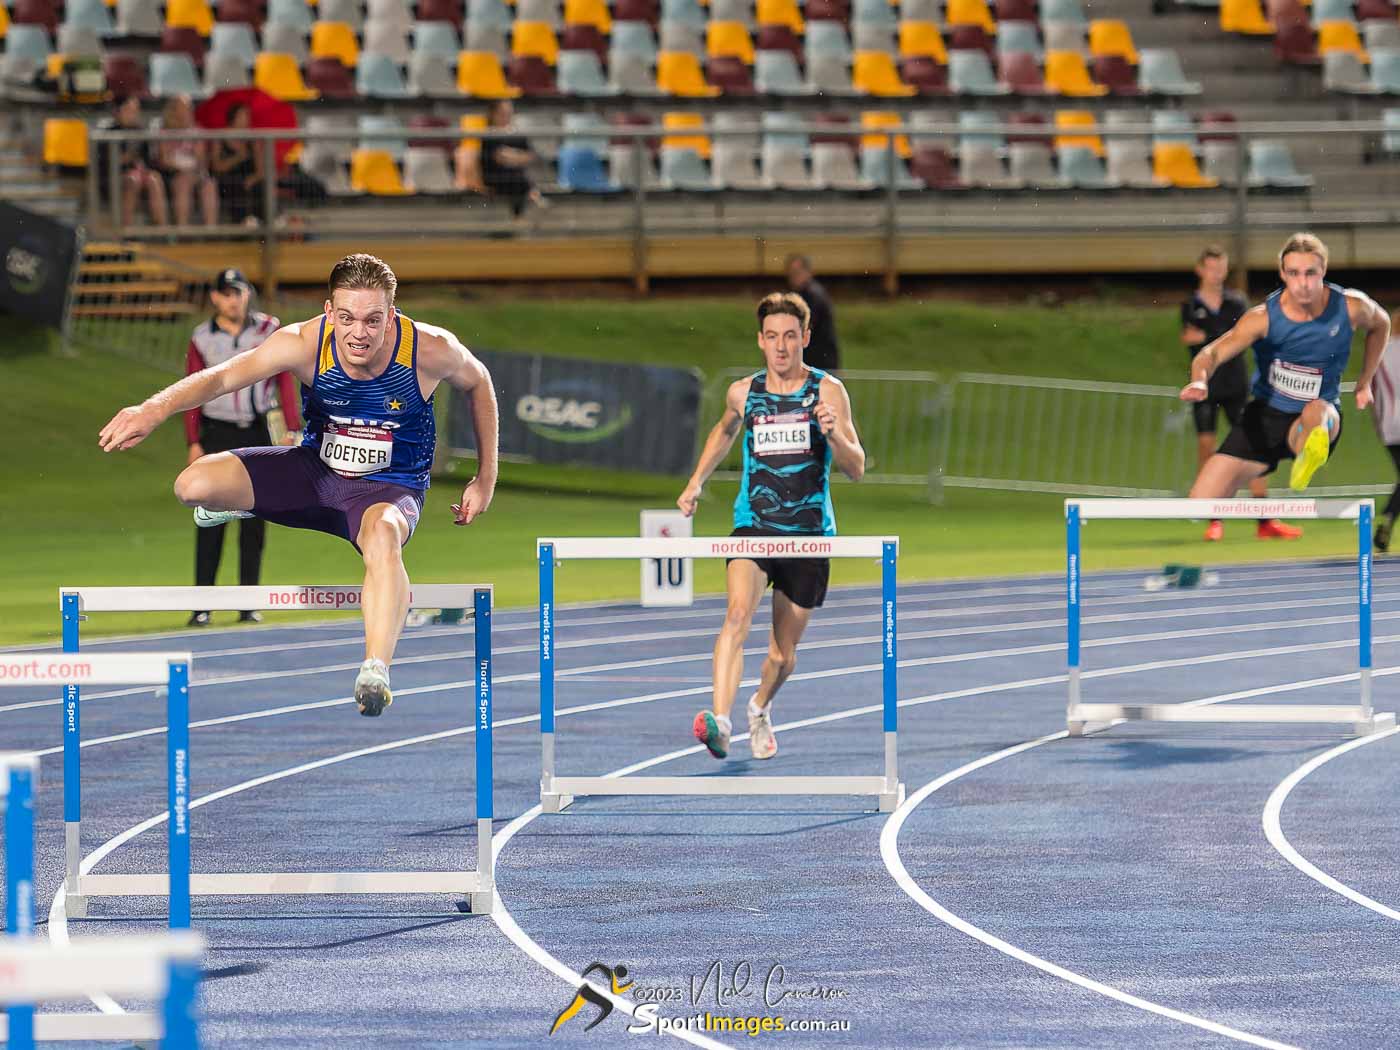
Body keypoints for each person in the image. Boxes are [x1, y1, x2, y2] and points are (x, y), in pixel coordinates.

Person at [98, 254, 500, 718]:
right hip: (314, 474)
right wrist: (153, 408)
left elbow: (480, 383)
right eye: (347, 318)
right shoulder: (303, 342)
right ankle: (245, 505)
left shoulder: (429, 349)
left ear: (391, 315)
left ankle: (375, 668)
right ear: (330, 311)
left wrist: (485, 478)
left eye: (373, 320)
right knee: (193, 484)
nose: (359, 334)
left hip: (385, 489)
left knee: (384, 538)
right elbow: (226, 376)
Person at [677, 292, 865, 761]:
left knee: (782, 656)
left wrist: (833, 433)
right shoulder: (744, 392)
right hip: (755, 525)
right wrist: (696, 481)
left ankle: (759, 706)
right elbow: (724, 429)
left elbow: (856, 467)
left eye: (790, 336)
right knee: (737, 616)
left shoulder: (827, 391)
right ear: (761, 341)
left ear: (805, 337)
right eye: (772, 337)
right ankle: (720, 722)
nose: (781, 347)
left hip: (808, 535)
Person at [1181, 232, 1390, 502]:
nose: (1303, 283)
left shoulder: (1351, 307)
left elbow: (1382, 324)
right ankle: (1228, 497)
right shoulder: (1262, 318)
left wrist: (1365, 380)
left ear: (1323, 270)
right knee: (1200, 502)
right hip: (1265, 416)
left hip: (1317, 417)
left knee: (1318, 411)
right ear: (1282, 273)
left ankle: (1307, 455)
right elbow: (1211, 353)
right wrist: (1199, 379)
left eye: (1310, 273)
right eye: (1294, 273)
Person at [184, 269, 301, 627]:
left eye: (241, 292)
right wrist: (193, 442)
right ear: (216, 298)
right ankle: (203, 604)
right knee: (210, 518)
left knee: (254, 518)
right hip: (218, 432)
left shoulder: (267, 329)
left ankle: (248, 602)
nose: (236, 300)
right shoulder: (202, 338)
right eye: (228, 294)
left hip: (256, 429)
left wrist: (293, 427)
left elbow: (283, 376)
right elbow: (191, 388)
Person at [1181, 246, 1300, 541]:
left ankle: (1265, 520)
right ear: (1200, 270)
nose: (1217, 273)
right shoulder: (1190, 304)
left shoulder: (1236, 301)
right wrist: (1219, 333)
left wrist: (1209, 333)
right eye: (1211, 267)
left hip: (1237, 387)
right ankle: (1214, 518)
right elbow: (1190, 339)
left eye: (1221, 267)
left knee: (1256, 450)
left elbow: (1236, 335)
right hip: (1206, 389)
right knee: (1208, 452)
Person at [95, 95, 169, 229]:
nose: (134, 114)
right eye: (129, 110)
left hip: (140, 175)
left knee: (154, 178)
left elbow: (148, 161)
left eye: (136, 110)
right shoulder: (108, 133)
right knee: (132, 180)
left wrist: (140, 164)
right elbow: (105, 164)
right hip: (115, 178)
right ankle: (126, 231)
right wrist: (125, 159)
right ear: (117, 112)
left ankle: (162, 228)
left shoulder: (140, 132)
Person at [153, 95, 218, 229]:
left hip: (195, 173)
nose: (186, 112)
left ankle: (210, 229)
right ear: (173, 110)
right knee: (183, 182)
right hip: (173, 173)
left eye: (188, 109)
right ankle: (183, 228)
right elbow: (165, 160)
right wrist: (183, 169)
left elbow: (200, 160)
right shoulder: (164, 131)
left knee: (209, 184)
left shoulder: (197, 131)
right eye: (182, 109)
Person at [476, 100, 547, 222]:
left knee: (518, 175)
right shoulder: (488, 134)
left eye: (509, 114)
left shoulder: (517, 134)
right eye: (503, 114)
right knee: (516, 177)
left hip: (514, 174)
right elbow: (499, 158)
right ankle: (532, 200)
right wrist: (518, 157)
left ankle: (522, 212)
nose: (507, 117)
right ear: (493, 114)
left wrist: (513, 157)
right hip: (494, 177)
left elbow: (531, 155)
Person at [1369, 308, 1400, 552]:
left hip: (1388, 426)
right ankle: (1386, 520)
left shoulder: (1380, 351)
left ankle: (1386, 521)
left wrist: (1378, 425)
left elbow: (1372, 390)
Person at [209, 103, 264, 226]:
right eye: (242, 116)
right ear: (233, 118)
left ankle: (264, 226)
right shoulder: (220, 137)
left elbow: (261, 170)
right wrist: (238, 157)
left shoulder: (253, 140)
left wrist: (252, 179)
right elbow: (216, 166)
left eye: (247, 116)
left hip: (249, 180)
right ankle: (240, 226)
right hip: (227, 180)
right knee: (236, 186)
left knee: (260, 186)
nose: (246, 119)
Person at [785, 254, 840, 373]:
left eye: (797, 272)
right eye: (791, 272)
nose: (793, 276)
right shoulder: (801, 294)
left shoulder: (813, 296)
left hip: (820, 363)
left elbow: (804, 326)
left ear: (807, 272)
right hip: (812, 362)